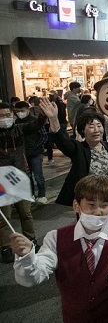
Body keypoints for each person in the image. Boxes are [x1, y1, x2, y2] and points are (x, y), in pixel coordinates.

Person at [10, 175, 108, 322]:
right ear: (76, 205)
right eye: (91, 205)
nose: (98, 211)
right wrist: (27, 256)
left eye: (105, 205)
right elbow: (33, 277)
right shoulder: (56, 238)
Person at [39, 98, 108, 206]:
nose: (96, 130)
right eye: (91, 126)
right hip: (90, 205)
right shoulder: (79, 149)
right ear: (82, 131)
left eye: (99, 126)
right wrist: (53, 118)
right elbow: (62, 139)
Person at [0, 102, 43, 263]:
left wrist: (44, 114)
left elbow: (36, 125)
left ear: (13, 115)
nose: (5, 119)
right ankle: (5, 248)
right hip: (2, 181)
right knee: (5, 218)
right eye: (1, 116)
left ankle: (31, 240)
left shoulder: (19, 129)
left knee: (26, 213)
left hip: (20, 178)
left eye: (8, 115)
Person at [13, 101, 47, 204]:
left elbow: (43, 135)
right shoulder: (15, 123)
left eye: (22, 111)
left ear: (28, 109)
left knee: (38, 176)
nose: (20, 113)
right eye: (17, 111)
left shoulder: (34, 121)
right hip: (22, 154)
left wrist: (37, 146)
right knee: (27, 177)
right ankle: (30, 194)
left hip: (35, 153)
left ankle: (42, 195)